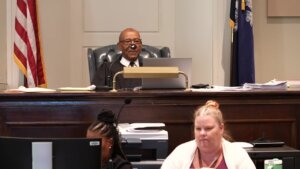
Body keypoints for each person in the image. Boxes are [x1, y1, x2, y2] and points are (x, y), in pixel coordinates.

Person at [161, 100, 256, 169]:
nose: (202, 133)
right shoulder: (181, 152)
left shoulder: (238, 155)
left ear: (221, 128)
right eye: (198, 129)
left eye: (208, 128)